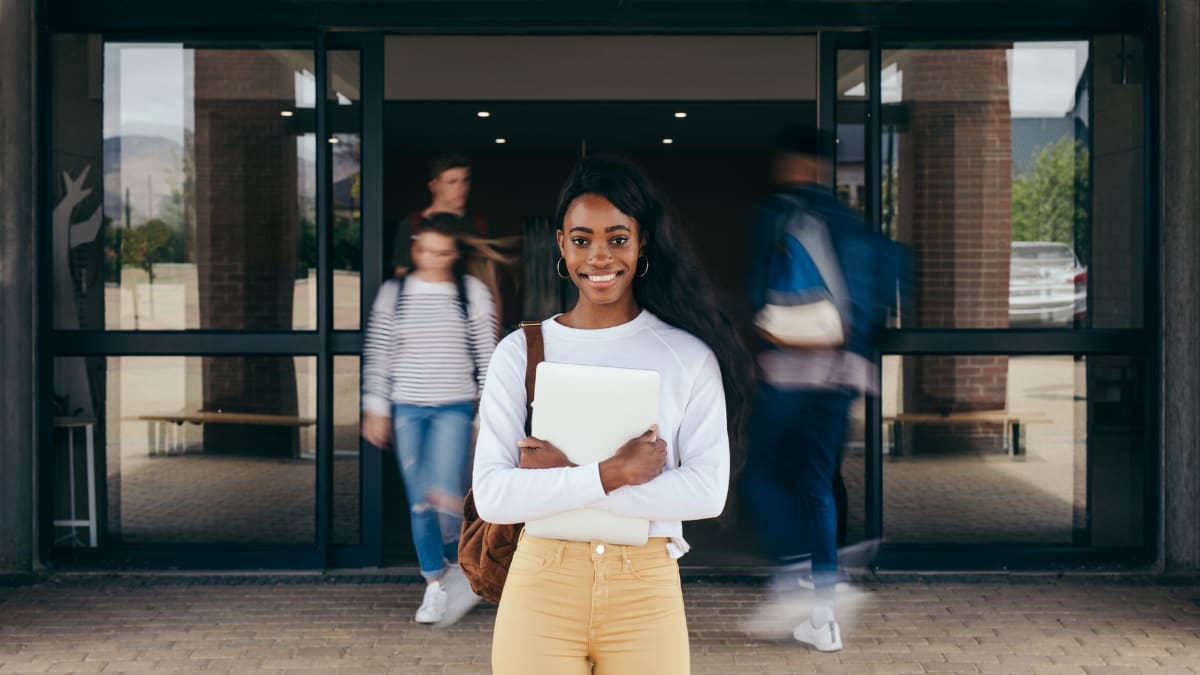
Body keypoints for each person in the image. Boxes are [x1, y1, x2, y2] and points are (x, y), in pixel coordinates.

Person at [471, 155, 753, 674]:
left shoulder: (688, 354)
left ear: (642, 242)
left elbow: (706, 492)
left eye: (617, 238)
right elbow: (493, 495)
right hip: (542, 585)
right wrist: (613, 473)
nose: (599, 256)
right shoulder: (521, 351)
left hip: (644, 590)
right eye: (581, 240)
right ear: (561, 244)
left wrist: (563, 482)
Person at [741, 125, 904, 652]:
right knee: (817, 484)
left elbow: (755, 292)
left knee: (760, 475)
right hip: (844, 374)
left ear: (789, 163)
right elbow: (888, 284)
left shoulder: (780, 213)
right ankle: (825, 612)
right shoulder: (853, 222)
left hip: (791, 370)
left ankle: (793, 579)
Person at [362, 213, 498, 626]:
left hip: (454, 408)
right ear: (416, 248)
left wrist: (484, 415)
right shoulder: (395, 293)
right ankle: (435, 585)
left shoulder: (469, 292)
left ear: (454, 253)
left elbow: (488, 354)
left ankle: (462, 567)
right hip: (407, 408)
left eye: (442, 252)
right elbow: (379, 352)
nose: (433, 259)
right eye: (425, 250)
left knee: (441, 490)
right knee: (420, 499)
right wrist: (375, 407)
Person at [391, 152, 488, 278]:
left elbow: (491, 275)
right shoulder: (412, 223)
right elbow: (401, 274)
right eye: (452, 182)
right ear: (434, 186)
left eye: (465, 181)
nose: (461, 188)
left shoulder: (480, 225)